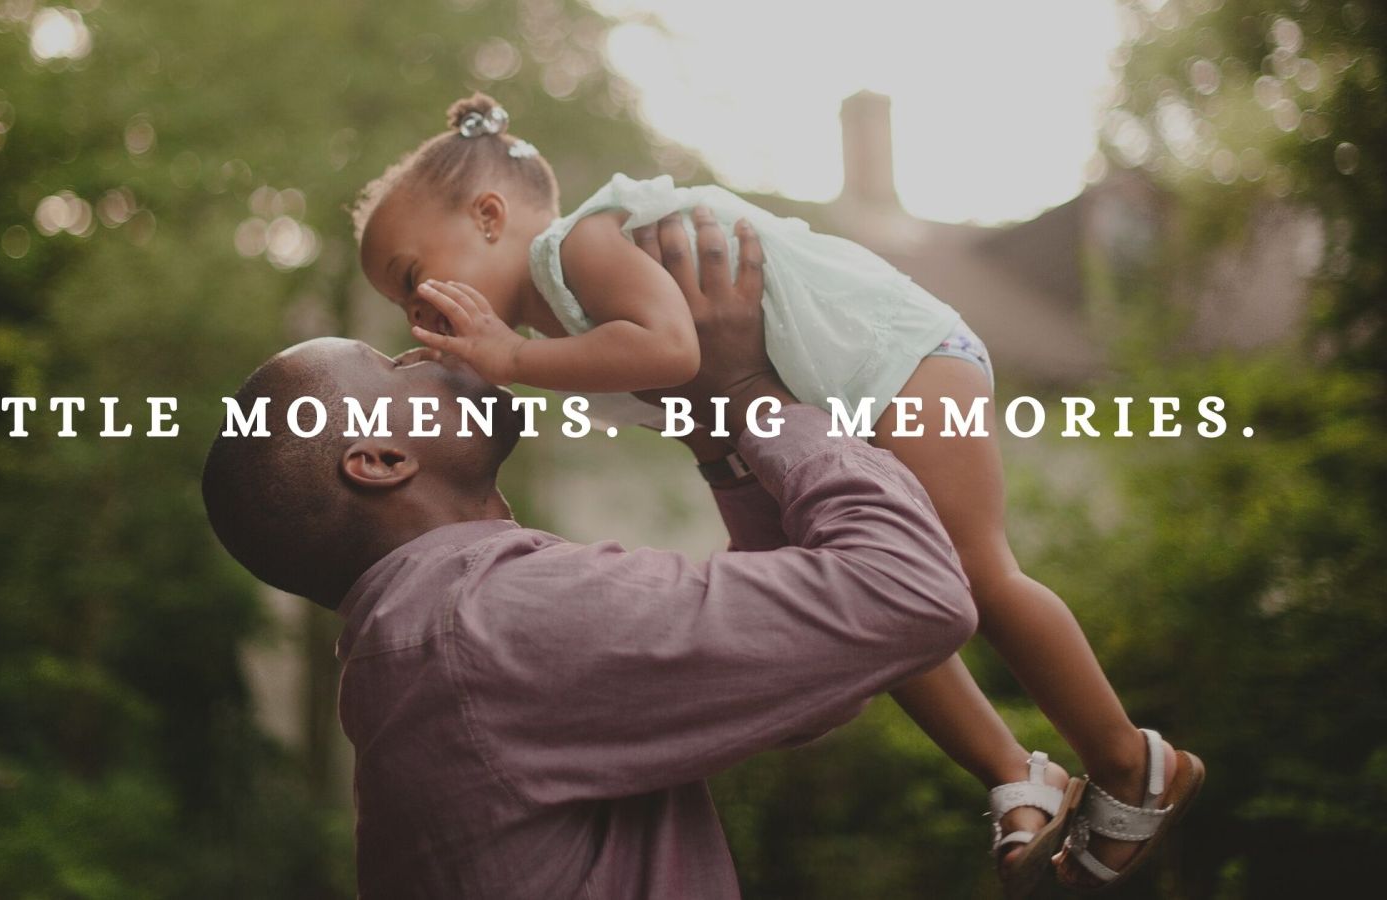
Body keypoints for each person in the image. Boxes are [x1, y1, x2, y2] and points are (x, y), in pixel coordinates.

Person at [349, 93, 1204, 893]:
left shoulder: (575, 248)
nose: (413, 312)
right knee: (877, 615)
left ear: (490, 218)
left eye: (411, 275)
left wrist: (510, 362)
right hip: (813, 411)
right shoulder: (557, 324)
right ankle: (1017, 772)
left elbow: (673, 351)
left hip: (896, 361)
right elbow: (701, 412)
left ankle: (1133, 761)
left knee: (975, 574)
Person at [202, 215, 986, 898]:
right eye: (393, 369)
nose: (423, 355)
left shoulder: (427, 644)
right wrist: (750, 388)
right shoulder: (494, 621)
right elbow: (910, 593)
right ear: (379, 460)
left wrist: (721, 444)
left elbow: (809, 681)